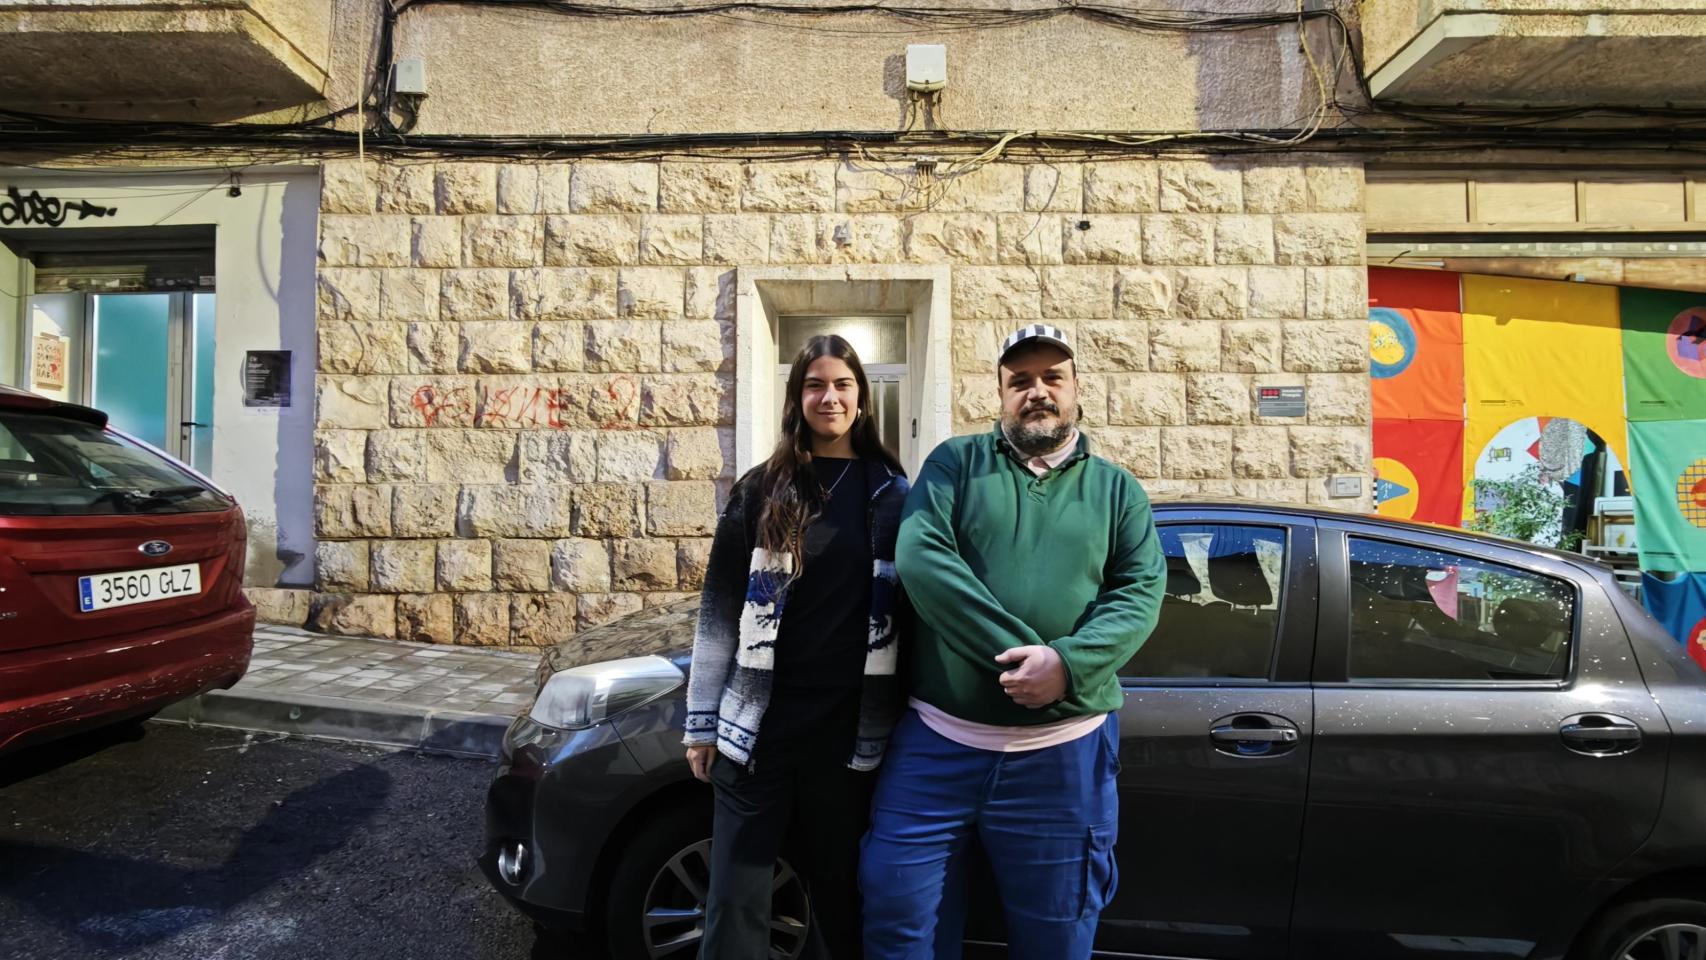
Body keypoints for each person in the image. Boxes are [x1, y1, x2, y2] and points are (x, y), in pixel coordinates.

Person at [860, 323, 1167, 960]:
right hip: (937, 746)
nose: (1037, 392)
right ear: (1000, 394)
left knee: (1057, 935)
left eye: (1052, 377)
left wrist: (1067, 665)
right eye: (1019, 381)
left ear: (1076, 388)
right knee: (898, 921)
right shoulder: (954, 464)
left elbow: (1139, 593)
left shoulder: (1117, 491)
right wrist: (1024, 658)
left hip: (1062, 757)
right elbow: (922, 559)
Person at [683, 333, 910, 960]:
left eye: (842, 385)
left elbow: (914, 613)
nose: (829, 397)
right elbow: (719, 610)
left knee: (839, 899)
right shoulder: (762, 489)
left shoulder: (892, 493)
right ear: (796, 397)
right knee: (735, 904)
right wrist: (701, 723)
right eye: (815, 385)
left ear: (861, 398)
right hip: (759, 729)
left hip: (846, 735)